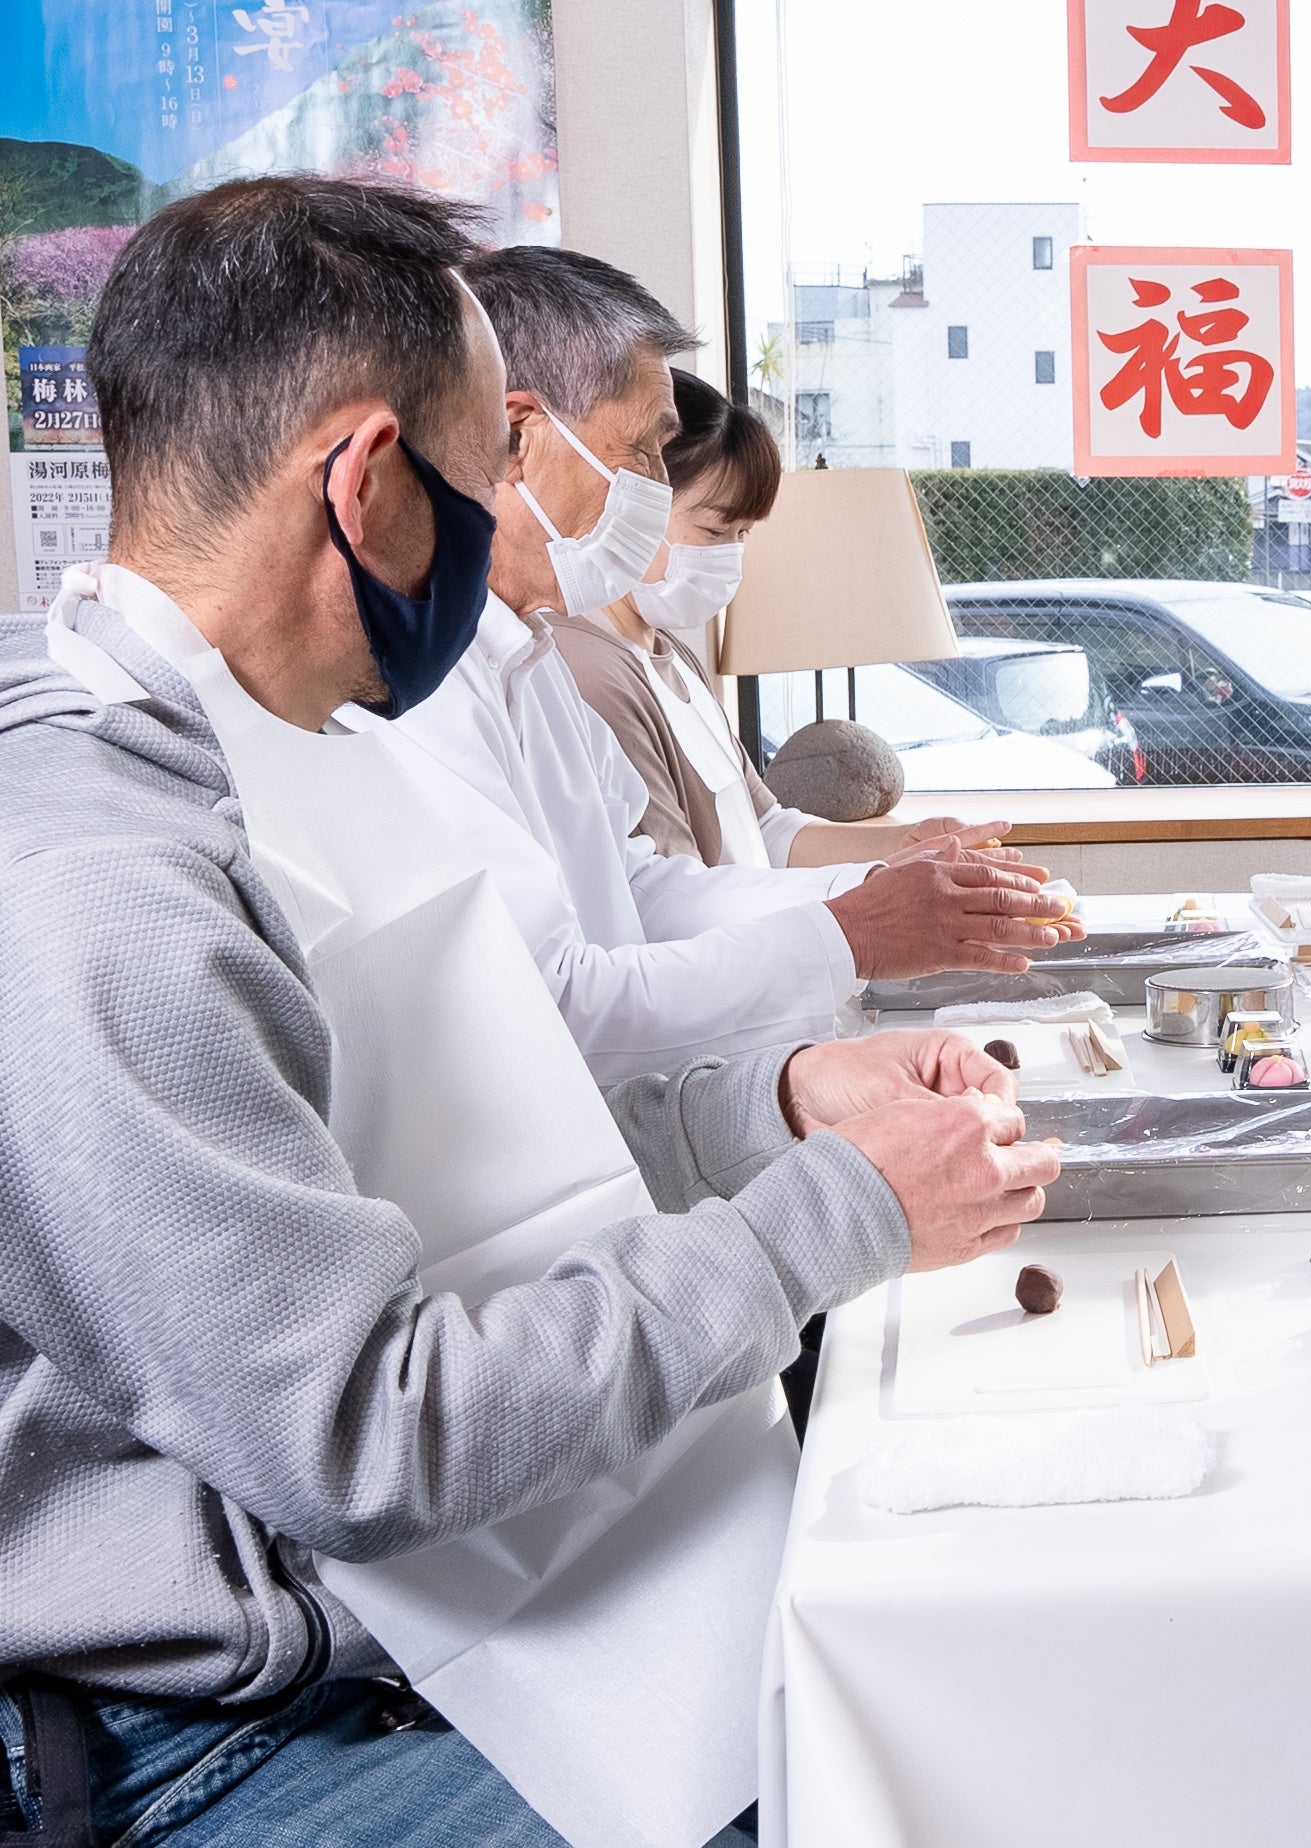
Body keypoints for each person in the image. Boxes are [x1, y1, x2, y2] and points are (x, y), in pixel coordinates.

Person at [0, 176, 1055, 1848]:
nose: (504, 539)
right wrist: (831, 1214)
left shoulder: (278, 739)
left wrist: (774, 1106)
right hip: (211, 1729)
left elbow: (469, 1123)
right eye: (485, 479)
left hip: (392, 1606)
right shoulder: (95, 890)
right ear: (363, 479)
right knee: (904, 1769)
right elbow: (364, 1435)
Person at [353, 243, 1072, 1084]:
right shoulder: (420, 688)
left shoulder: (534, 655)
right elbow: (555, 1003)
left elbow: (647, 891)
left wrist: (870, 896)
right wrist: (850, 931)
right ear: (517, 436)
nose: (656, 491)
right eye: (646, 452)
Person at [556, 369, 991, 871]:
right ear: (630, 503)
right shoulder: (591, 672)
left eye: (742, 534)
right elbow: (673, 892)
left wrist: (908, 845)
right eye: (715, 529)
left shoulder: (671, 656)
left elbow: (768, 829)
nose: (728, 557)